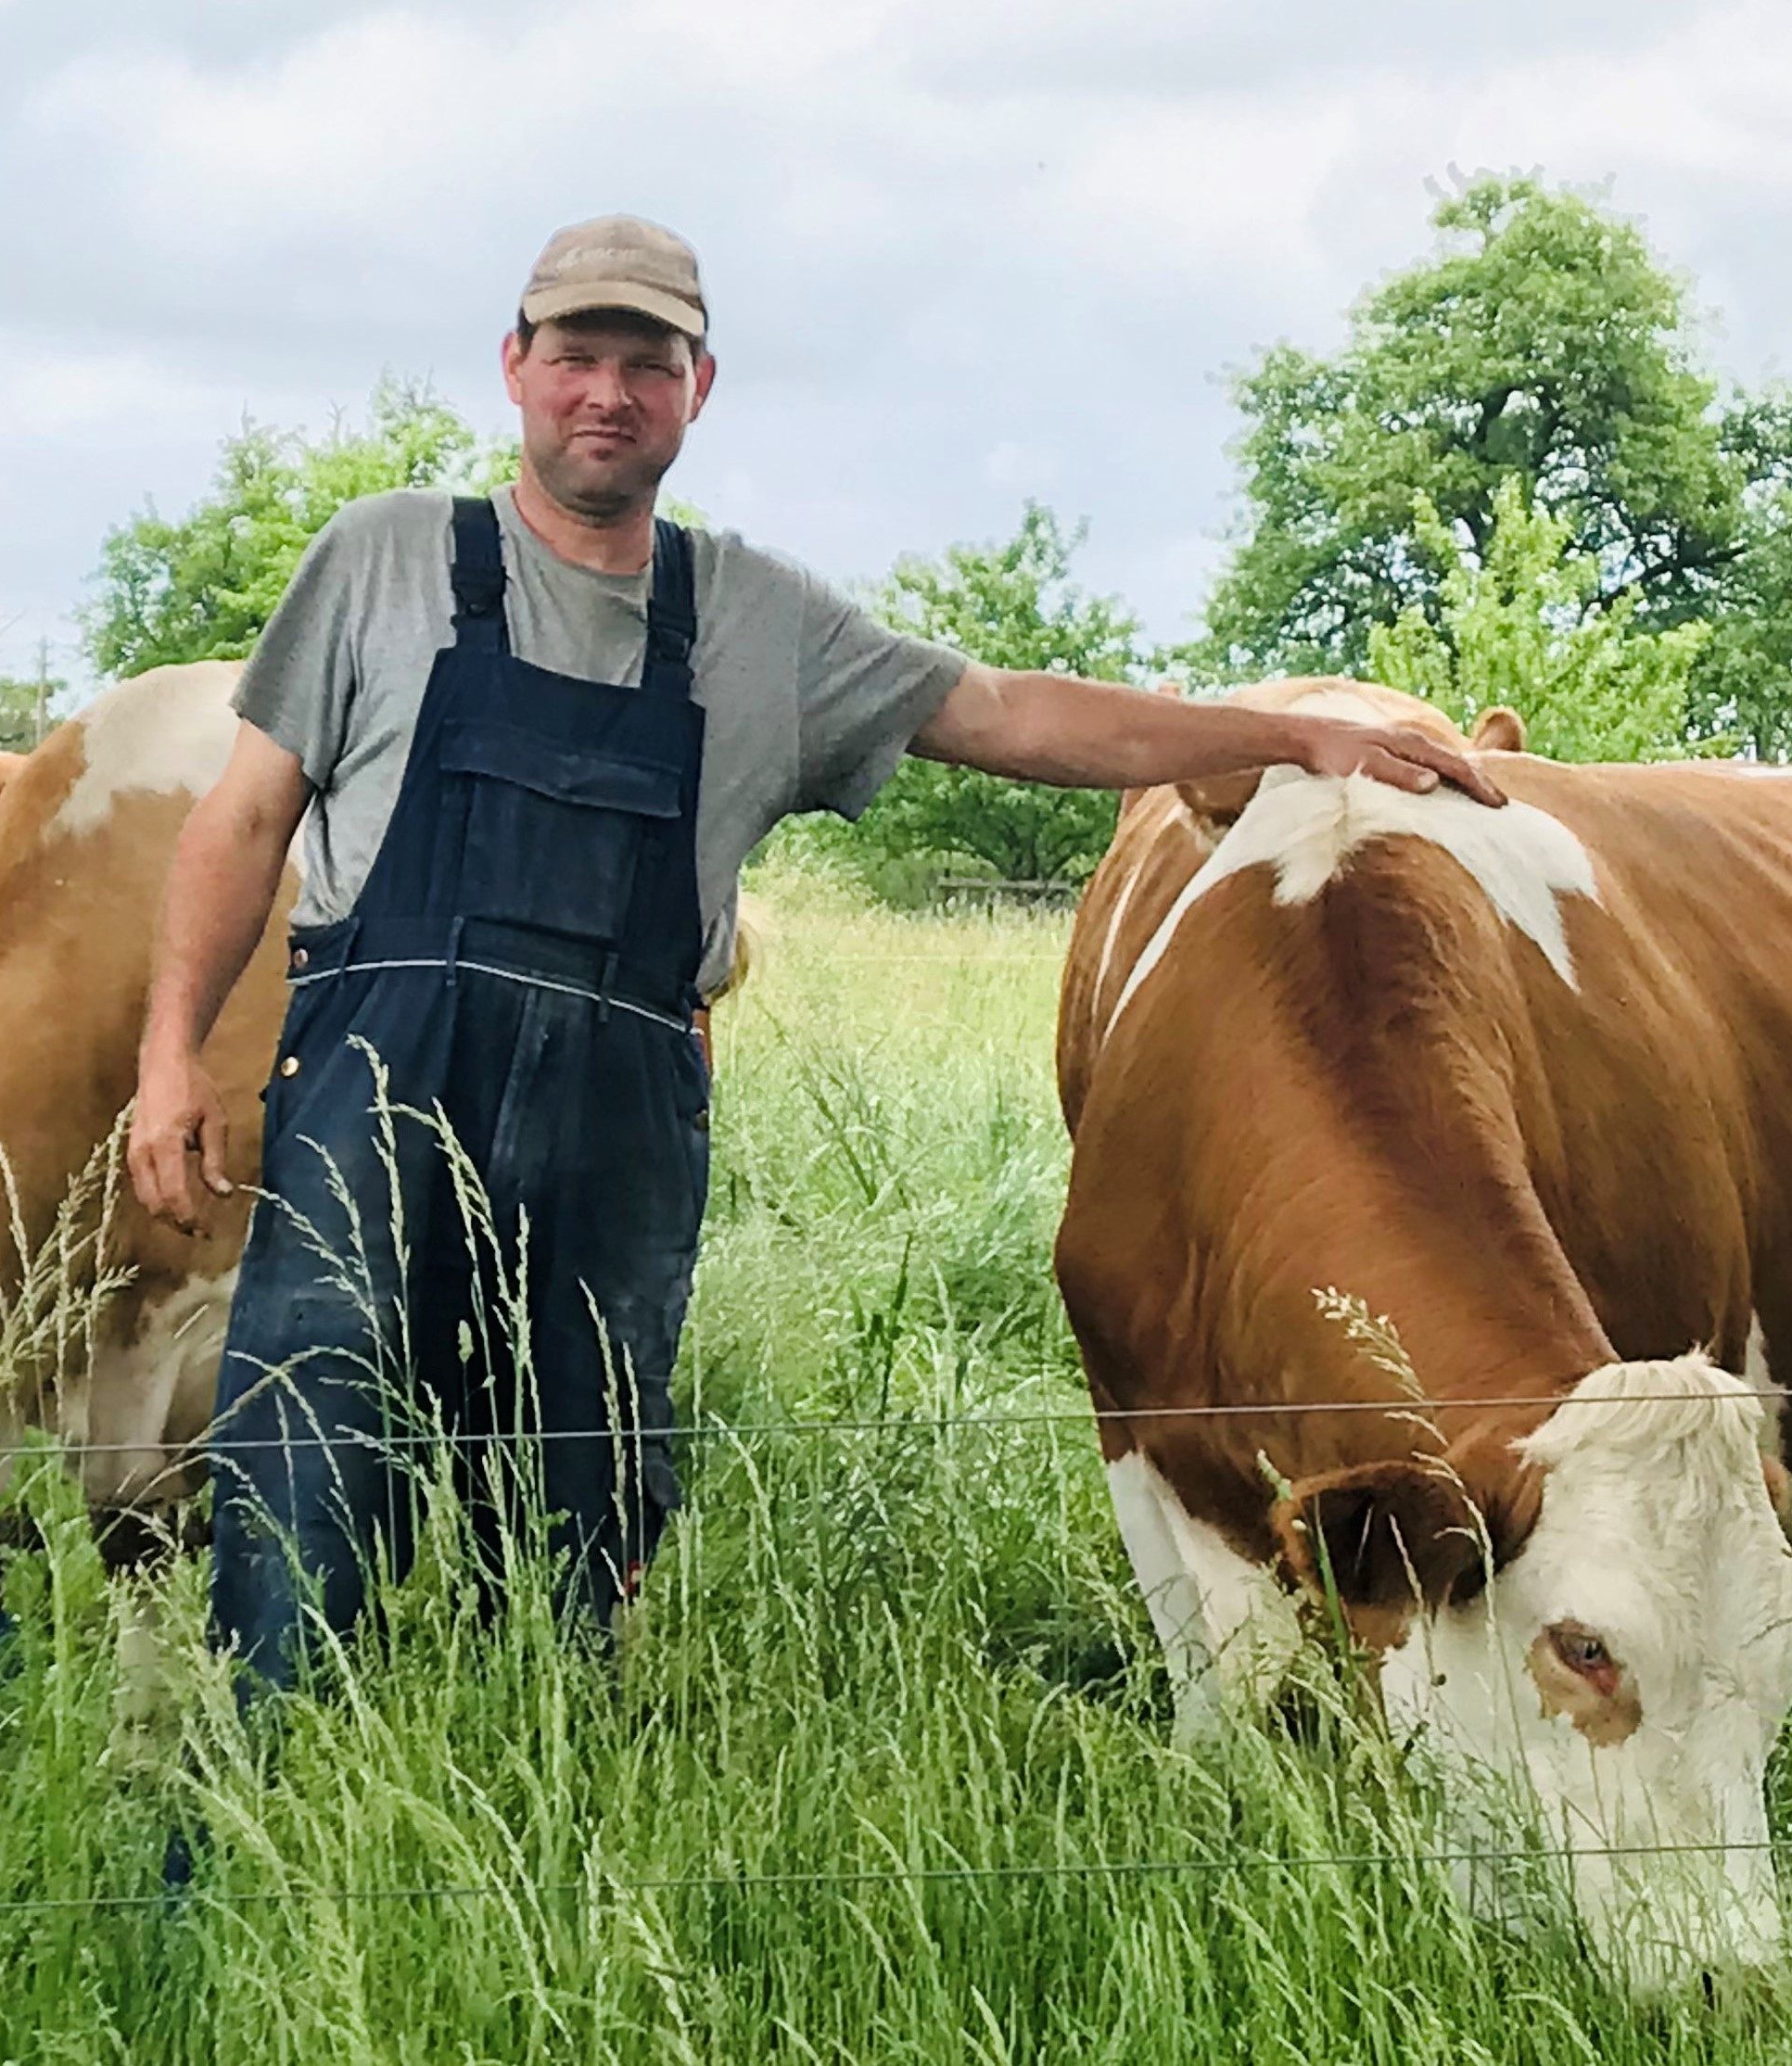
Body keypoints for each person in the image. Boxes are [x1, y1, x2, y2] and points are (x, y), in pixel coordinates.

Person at [127, 214, 1498, 1702]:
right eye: (575, 355)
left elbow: (1013, 714)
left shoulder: (756, 621)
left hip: (615, 1132)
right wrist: (170, 1059)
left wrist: (1290, 731)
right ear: (515, 369)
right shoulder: (380, 559)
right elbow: (242, 819)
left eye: (645, 363)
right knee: (306, 1456)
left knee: (570, 1515)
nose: (606, 392)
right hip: (373, 1098)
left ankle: (529, 1796)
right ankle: (258, 1815)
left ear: (697, 389)